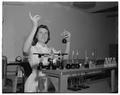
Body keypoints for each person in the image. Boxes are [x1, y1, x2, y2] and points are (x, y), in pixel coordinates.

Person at [23, 12, 71, 92]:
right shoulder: (32, 48)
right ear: (36, 35)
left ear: (48, 36)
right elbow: (25, 50)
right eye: (40, 32)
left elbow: (64, 60)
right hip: (35, 84)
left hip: (50, 83)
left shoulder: (51, 50)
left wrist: (68, 42)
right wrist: (35, 26)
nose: (43, 35)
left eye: (46, 33)